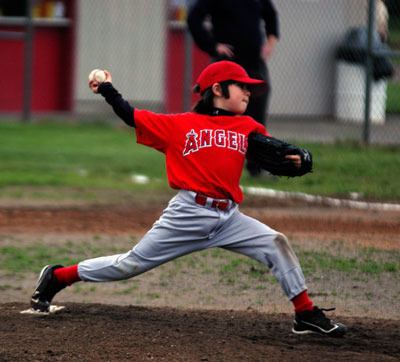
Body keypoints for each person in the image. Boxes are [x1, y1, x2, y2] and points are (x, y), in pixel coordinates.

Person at [29, 60, 346, 337]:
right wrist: (108, 89)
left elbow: (269, 149)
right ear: (219, 89)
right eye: (242, 87)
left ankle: (305, 313)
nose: (249, 93)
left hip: (229, 218)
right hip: (188, 214)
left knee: (276, 242)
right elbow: (131, 115)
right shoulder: (179, 125)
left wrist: (297, 158)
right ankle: (58, 276)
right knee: (129, 265)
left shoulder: (246, 126)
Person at [187, 0, 279, 176]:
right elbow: (194, 19)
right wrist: (213, 46)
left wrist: (269, 44)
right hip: (227, 64)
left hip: (253, 64)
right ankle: (211, 164)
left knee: (256, 115)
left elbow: (271, 16)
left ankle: (256, 167)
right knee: (220, 114)